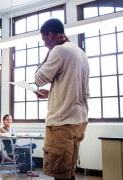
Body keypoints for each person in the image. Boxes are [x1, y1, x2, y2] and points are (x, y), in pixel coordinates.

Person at [34, 18, 89, 180]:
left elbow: (38, 78)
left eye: (44, 39)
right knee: (69, 171)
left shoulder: (58, 51)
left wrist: (50, 51)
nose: (45, 43)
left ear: (51, 35)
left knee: (59, 174)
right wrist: (51, 93)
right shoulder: (80, 52)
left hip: (61, 123)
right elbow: (75, 88)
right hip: (78, 121)